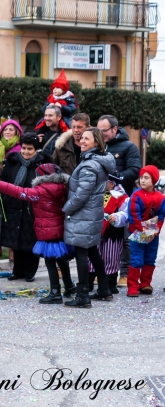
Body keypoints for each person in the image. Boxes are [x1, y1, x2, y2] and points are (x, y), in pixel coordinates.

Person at [0, 164, 75, 304]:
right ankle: (69, 286)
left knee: (50, 261)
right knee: (61, 260)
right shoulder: (61, 187)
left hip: (47, 231)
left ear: (42, 177)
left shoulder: (41, 191)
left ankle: (55, 292)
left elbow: (19, 192)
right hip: (59, 229)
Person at [63, 128, 117, 308]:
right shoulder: (96, 161)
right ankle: (104, 289)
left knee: (81, 254)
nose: (82, 140)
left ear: (96, 142)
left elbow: (81, 194)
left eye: (87, 138)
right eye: (82, 138)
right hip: (92, 215)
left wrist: (66, 209)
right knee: (93, 251)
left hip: (83, 215)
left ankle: (82, 296)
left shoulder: (89, 165)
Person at [98, 114, 142, 288]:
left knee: (124, 238)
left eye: (104, 131)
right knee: (104, 237)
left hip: (124, 200)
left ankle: (124, 273)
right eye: (98, 131)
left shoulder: (129, 147)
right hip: (101, 199)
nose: (101, 135)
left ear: (114, 129)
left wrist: (116, 179)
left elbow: (134, 170)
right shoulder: (98, 147)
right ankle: (104, 271)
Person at [0, 133, 48, 282]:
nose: (26, 152)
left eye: (30, 149)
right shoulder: (12, 162)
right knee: (16, 240)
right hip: (13, 206)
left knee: (30, 240)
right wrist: (7, 199)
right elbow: (4, 181)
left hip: (32, 207)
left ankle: (30, 271)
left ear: (36, 150)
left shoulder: (42, 165)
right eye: (24, 148)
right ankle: (17, 270)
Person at [126, 165, 165, 297]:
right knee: (137, 258)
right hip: (138, 231)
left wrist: (156, 229)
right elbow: (133, 213)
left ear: (154, 180)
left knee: (150, 258)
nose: (142, 180)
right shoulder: (136, 195)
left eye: (146, 178)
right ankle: (132, 286)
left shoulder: (160, 197)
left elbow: (161, 214)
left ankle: (145, 284)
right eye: (141, 177)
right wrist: (142, 228)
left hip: (152, 231)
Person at [87, 179, 128, 295]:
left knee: (111, 256)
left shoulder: (121, 196)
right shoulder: (94, 193)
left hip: (112, 233)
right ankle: (89, 281)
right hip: (95, 231)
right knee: (92, 257)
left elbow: (126, 212)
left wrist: (116, 216)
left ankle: (111, 283)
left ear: (112, 183)